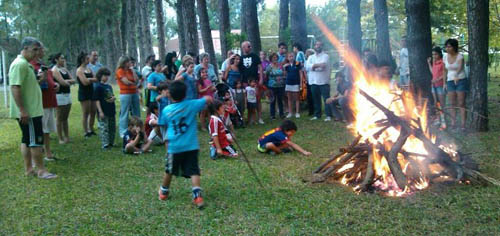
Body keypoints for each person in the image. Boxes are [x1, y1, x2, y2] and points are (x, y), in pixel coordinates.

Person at [157, 80, 214, 208]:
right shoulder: (192, 104)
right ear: (185, 94)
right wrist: (208, 98)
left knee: (169, 170)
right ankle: (197, 196)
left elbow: (163, 124)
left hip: (174, 147)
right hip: (191, 146)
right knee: (194, 171)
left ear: (170, 95)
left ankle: (164, 192)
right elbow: (207, 99)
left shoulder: (166, 110)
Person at [9, 37, 57, 179]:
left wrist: (40, 80)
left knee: (26, 140)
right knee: (36, 141)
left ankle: (29, 169)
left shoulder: (26, 64)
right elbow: (15, 87)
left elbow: (27, 85)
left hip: (32, 110)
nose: (37, 53)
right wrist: (23, 110)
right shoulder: (20, 64)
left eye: (38, 49)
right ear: (25, 48)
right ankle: (41, 170)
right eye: (34, 50)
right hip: (29, 112)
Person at [31, 47, 59, 161]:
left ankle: (48, 153)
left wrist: (56, 85)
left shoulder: (43, 65)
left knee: (47, 130)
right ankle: (37, 156)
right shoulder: (31, 66)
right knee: (40, 130)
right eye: (42, 50)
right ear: (36, 51)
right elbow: (32, 86)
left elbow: (50, 81)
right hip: (40, 104)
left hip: (49, 101)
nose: (44, 52)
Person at [51, 53, 76, 144]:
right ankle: (60, 138)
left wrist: (68, 81)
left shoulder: (64, 69)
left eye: (64, 58)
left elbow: (73, 80)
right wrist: (69, 81)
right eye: (61, 58)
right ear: (56, 60)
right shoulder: (55, 70)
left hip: (67, 94)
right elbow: (62, 83)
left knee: (65, 117)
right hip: (59, 95)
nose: (63, 60)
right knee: (59, 117)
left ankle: (67, 136)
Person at [444, 38, 467, 131]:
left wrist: (456, 75)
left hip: (460, 80)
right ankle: (453, 123)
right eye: (446, 46)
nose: (447, 48)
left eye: (449, 46)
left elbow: (460, 68)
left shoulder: (460, 56)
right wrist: (444, 82)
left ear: (454, 47)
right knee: (452, 103)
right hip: (450, 82)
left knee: (461, 103)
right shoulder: (445, 56)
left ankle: (463, 124)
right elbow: (444, 70)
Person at [305, 40, 332, 122]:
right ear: (314, 46)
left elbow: (322, 67)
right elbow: (307, 67)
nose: (318, 46)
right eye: (317, 45)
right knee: (316, 99)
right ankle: (317, 115)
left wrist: (312, 67)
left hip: (323, 81)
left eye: (320, 45)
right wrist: (316, 66)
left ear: (322, 46)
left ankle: (328, 115)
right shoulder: (310, 57)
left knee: (326, 99)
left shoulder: (325, 56)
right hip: (313, 81)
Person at [116, 56, 140, 137]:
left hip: (134, 92)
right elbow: (126, 82)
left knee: (136, 111)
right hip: (125, 93)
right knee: (125, 112)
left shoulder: (131, 70)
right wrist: (134, 84)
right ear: (124, 63)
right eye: (129, 62)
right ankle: (123, 131)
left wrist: (133, 71)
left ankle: (137, 128)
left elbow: (136, 80)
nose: (131, 63)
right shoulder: (120, 71)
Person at [76, 51, 98, 137]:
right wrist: (91, 79)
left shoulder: (89, 69)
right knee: (86, 112)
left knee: (93, 111)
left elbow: (95, 78)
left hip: (91, 91)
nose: (89, 59)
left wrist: (90, 80)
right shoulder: (79, 70)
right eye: (87, 58)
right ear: (82, 59)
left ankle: (91, 129)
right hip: (84, 93)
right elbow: (84, 82)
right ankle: (85, 131)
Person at [94, 67, 116, 149]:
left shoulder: (109, 86)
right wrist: (100, 112)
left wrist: (113, 98)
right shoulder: (98, 87)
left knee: (112, 127)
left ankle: (111, 142)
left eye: (108, 76)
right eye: (105, 75)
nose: (106, 77)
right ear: (100, 76)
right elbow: (97, 100)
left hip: (111, 110)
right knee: (104, 128)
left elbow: (111, 95)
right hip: (103, 110)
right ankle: (105, 144)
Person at [427, 46, 446, 130]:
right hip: (434, 85)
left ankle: (443, 121)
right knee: (436, 102)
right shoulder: (434, 62)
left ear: (439, 54)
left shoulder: (443, 62)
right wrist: (429, 63)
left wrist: (437, 79)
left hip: (440, 85)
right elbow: (433, 72)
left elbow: (445, 74)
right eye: (433, 54)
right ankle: (438, 119)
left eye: (436, 54)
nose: (434, 56)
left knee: (442, 103)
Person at [284, 52, 303, 118]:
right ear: (287, 58)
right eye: (289, 56)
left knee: (296, 98)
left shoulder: (297, 63)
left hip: (296, 83)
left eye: (292, 56)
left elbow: (300, 73)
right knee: (289, 98)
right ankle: (290, 112)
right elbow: (285, 74)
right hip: (288, 83)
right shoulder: (286, 65)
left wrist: (300, 83)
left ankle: (297, 112)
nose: (291, 58)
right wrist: (284, 68)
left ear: (294, 57)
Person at [266, 53, 286, 119]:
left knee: (280, 100)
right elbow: (266, 76)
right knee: (272, 101)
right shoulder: (269, 67)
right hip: (272, 86)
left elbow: (284, 73)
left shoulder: (280, 66)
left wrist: (282, 76)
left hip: (280, 85)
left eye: (276, 57)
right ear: (271, 59)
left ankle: (281, 114)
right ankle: (272, 115)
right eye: (273, 57)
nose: (275, 58)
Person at [304, 49, 315, 116]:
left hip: (314, 80)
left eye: (309, 53)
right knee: (309, 96)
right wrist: (305, 78)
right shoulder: (306, 61)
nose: (307, 55)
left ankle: (316, 109)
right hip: (308, 80)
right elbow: (305, 70)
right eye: (307, 53)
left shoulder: (314, 61)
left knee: (314, 95)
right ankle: (310, 110)